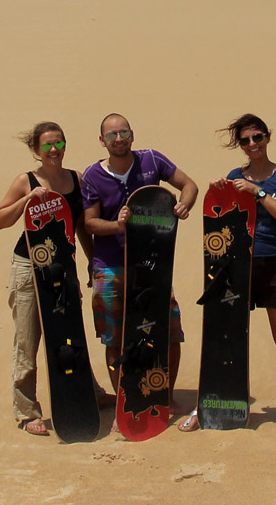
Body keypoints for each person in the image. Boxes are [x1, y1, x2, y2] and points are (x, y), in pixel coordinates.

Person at [179, 113, 276, 431]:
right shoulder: (235, 175)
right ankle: (208, 404)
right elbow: (220, 215)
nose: (253, 144)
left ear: (267, 137)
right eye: (246, 140)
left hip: (274, 262)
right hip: (236, 264)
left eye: (258, 137)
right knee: (223, 336)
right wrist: (219, 191)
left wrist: (258, 192)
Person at [80, 114, 198, 391]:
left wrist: (184, 205)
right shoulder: (91, 176)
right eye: (112, 135)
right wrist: (118, 226)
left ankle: (165, 395)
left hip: (152, 266)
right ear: (102, 141)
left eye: (123, 133)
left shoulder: (152, 160)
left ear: (132, 134)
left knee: (169, 332)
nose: (118, 139)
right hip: (110, 267)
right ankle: (123, 396)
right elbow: (89, 223)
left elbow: (189, 185)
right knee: (115, 339)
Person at [0, 121, 90, 436]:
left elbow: (80, 226)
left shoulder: (76, 179)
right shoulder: (26, 180)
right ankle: (26, 410)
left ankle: (86, 392)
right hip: (29, 266)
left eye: (58, 144)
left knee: (70, 329)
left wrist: (90, 262)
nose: (53, 150)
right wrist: (27, 200)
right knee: (28, 335)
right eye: (47, 145)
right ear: (36, 150)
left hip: (64, 263)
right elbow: (0, 219)